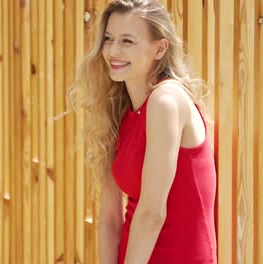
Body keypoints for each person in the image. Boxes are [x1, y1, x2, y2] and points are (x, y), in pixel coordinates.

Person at [69, 0, 217, 263]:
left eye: (127, 41)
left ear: (160, 48)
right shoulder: (120, 110)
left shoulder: (165, 102)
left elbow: (152, 213)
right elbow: (110, 221)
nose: (113, 50)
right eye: (108, 38)